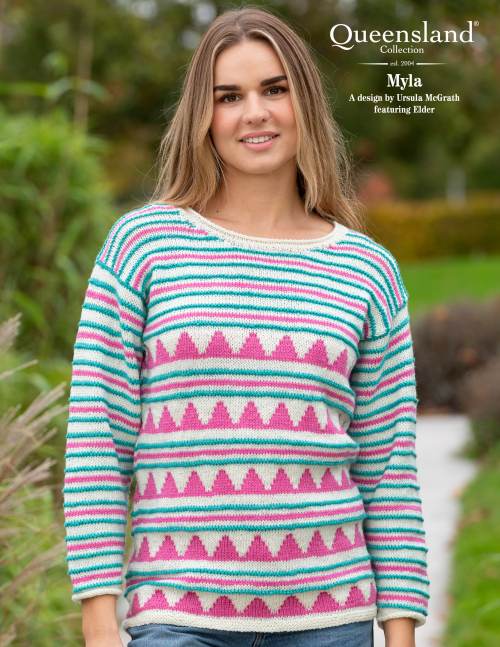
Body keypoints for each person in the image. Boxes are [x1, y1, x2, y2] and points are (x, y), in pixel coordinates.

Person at [62, 5, 430, 647]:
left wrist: (400, 633)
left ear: (305, 103)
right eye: (229, 96)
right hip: (178, 618)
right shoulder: (144, 247)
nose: (254, 112)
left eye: (274, 89)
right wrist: (99, 621)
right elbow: (98, 437)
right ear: (203, 117)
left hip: (331, 622)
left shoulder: (367, 271)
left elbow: (389, 468)